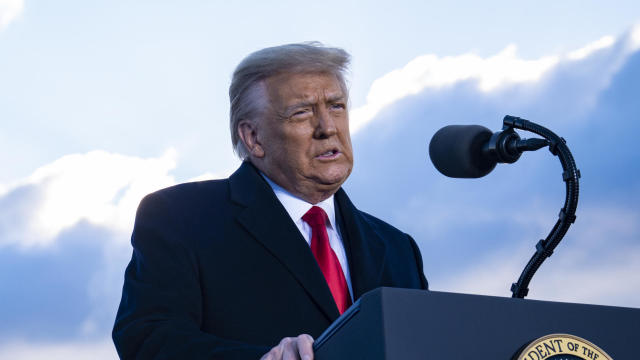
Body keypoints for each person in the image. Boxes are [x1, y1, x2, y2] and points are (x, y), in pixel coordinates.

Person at [112, 42, 428, 360]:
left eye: (336, 106)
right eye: (302, 112)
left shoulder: (398, 247)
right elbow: (147, 340)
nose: (328, 127)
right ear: (254, 138)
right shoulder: (181, 217)